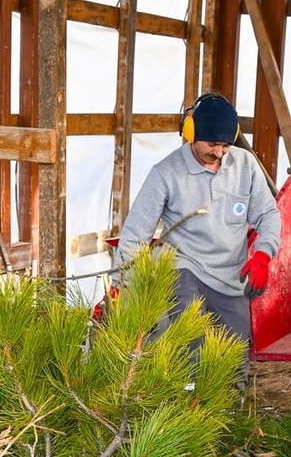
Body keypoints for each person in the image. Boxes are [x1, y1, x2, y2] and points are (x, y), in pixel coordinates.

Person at [116, 93, 280, 370]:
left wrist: (264, 254)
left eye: (225, 145)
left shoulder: (245, 165)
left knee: (234, 360)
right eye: (212, 144)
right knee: (191, 349)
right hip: (186, 269)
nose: (218, 153)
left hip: (231, 277)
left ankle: (228, 411)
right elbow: (136, 233)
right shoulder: (165, 173)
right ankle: (186, 405)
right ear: (190, 134)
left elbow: (268, 214)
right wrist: (121, 285)